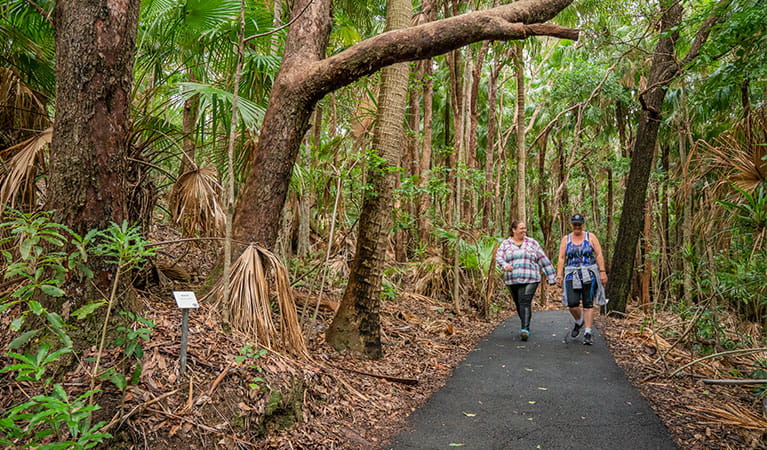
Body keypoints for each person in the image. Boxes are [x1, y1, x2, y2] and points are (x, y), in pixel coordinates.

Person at [496, 220, 556, 341]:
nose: (524, 230)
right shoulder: (506, 244)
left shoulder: (532, 243)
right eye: (521, 228)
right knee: (518, 303)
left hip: (531, 277)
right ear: (514, 230)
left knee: (525, 301)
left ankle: (525, 329)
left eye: (525, 228)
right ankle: (525, 324)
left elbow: (542, 259)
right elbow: (499, 257)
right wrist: (504, 265)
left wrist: (551, 276)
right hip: (512, 279)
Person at [556, 213, 608, 345]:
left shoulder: (590, 237)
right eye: (575, 224)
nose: (577, 226)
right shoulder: (566, 239)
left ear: (583, 224)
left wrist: (602, 272)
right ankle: (579, 321)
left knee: (588, 303)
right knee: (572, 304)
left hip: (589, 273)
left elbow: (599, 254)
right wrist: (559, 275)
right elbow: (562, 258)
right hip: (571, 273)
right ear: (571, 225)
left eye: (579, 224)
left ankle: (588, 332)